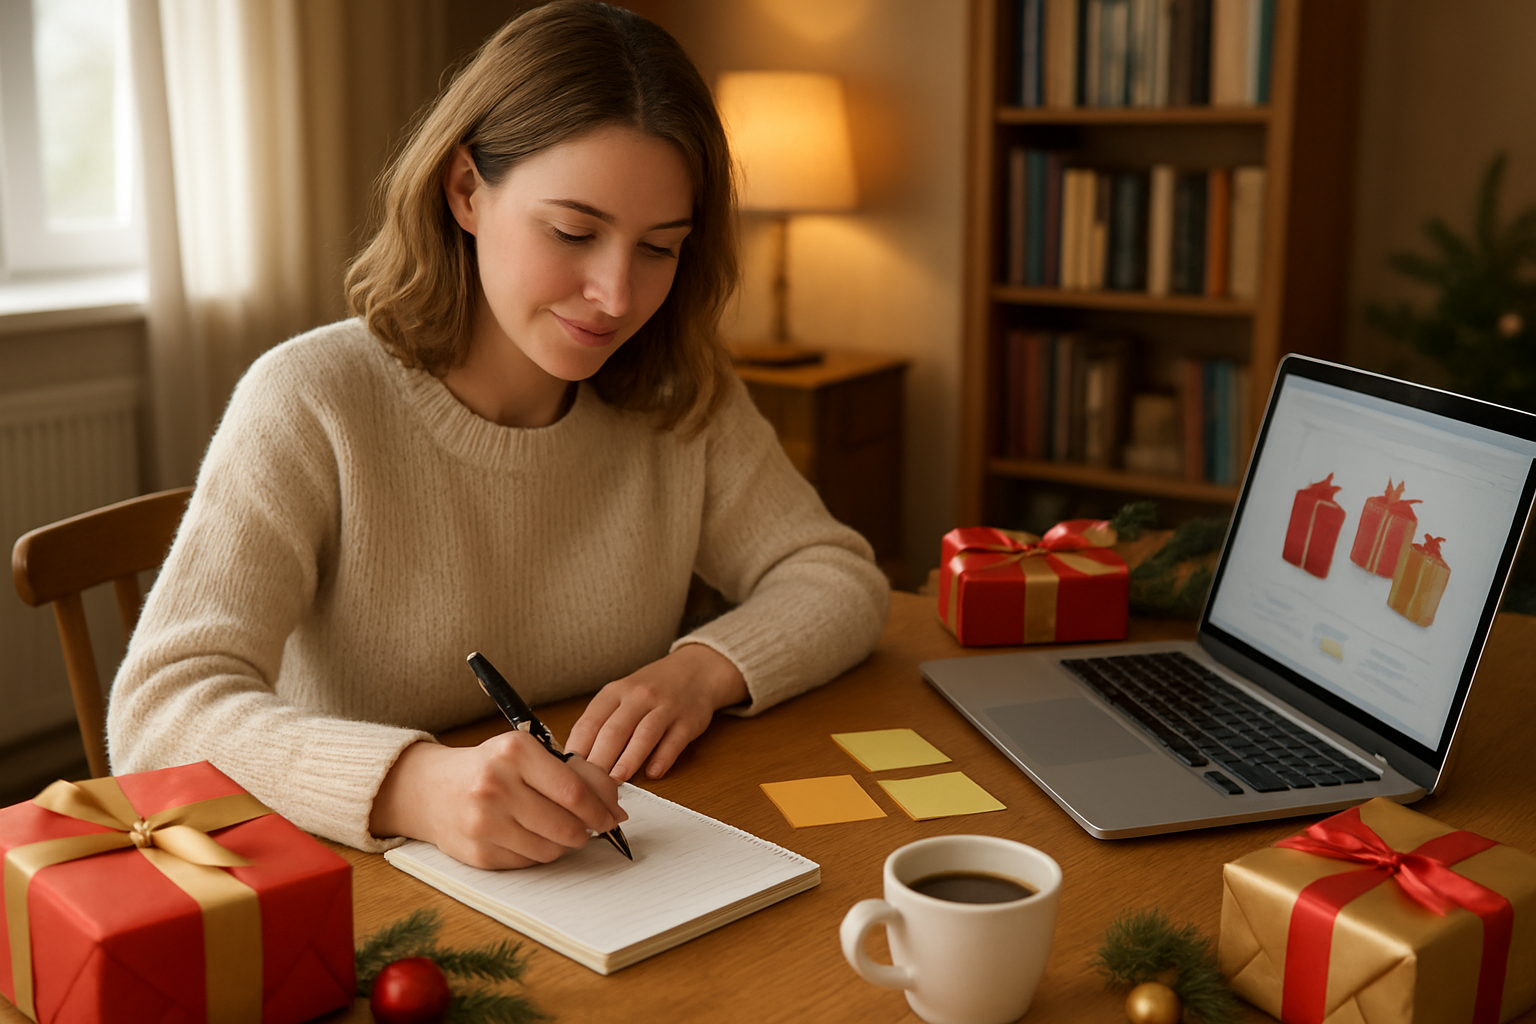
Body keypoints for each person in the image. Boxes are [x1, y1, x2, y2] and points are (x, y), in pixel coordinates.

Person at [107, 1, 889, 870]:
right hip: (359, 879)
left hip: (600, 864)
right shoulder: (312, 398)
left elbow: (837, 575)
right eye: (574, 232)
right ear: (466, 190)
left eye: (659, 248)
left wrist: (702, 671)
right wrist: (411, 784)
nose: (616, 296)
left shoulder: (677, 393)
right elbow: (157, 715)